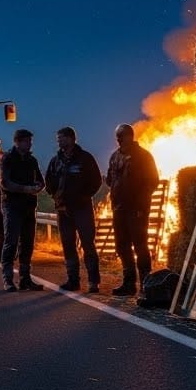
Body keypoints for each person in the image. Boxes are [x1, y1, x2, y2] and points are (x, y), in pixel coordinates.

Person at [44, 126, 103, 293]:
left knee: (87, 244)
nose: (59, 141)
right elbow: (49, 180)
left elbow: (96, 181)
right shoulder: (56, 160)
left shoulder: (85, 158)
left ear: (71, 139)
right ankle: (73, 280)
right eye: (58, 139)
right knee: (68, 245)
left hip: (82, 209)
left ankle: (93, 282)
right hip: (63, 210)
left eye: (61, 138)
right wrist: (54, 195)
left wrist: (84, 196)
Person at [105, 123, 160, 296]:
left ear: (130, 136)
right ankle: (129, 283)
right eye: (117, 136)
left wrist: (141, 205)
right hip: (119, 209)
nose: (119, 139)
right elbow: (111, 179)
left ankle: (145, 283)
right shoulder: (115, 157)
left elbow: (152, 181)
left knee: (140, 245)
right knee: (122, 245)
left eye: (121, 136)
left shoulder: (143, 156)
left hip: (136, 210)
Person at [0, 128, 45, 292]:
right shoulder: (7, 158)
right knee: (11, 242)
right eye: (27, 141)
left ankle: (25, 279)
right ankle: (8, 279)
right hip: (12, 205)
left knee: (27, 243)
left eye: (30, 141)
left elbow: (41, 180)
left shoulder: (31, 160)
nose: (30, 144)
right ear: (18, 142)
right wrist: (24, 189)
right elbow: (4, 183)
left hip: (28, 206)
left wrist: (38, 187)